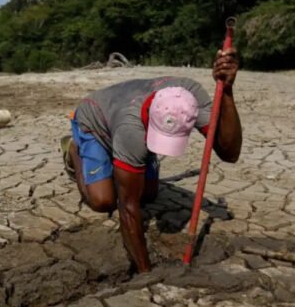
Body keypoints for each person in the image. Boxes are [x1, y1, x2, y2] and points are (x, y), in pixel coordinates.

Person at [63, 49, 242, 274]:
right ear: (150, 120)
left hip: (126, 123)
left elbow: (230, 153)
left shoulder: (189, 98)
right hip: (94, 120)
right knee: (103, 201)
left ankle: (121, 160)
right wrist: (145, 273)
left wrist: (227, 90)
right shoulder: (132, 129)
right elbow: (126, 207)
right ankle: (73, 149)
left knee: (148, 195)